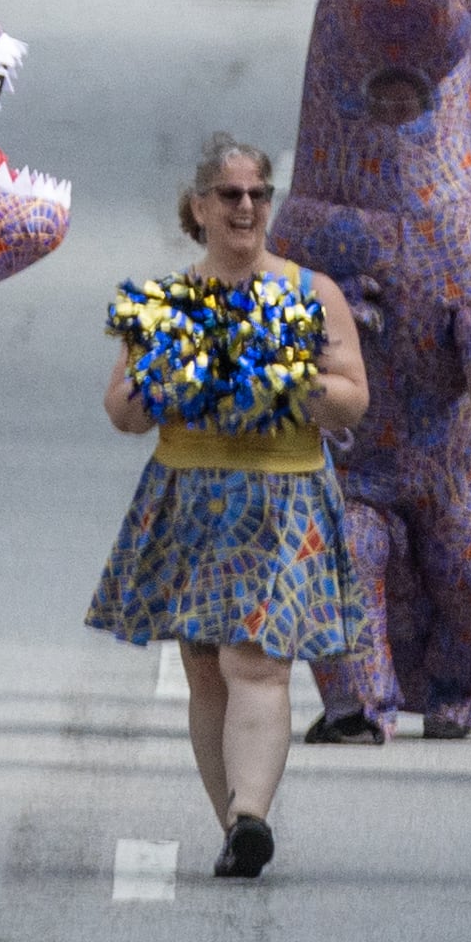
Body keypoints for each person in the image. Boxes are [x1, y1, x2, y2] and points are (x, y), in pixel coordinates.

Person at [88, 137, 369, 883]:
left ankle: (252, 813)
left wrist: (287, 378)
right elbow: (121, 410)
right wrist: (166, 379)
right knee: (207, 669)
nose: (247, 207)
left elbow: (353, 397)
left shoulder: (313, 293)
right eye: (230, 194)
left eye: (259, 194)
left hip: (282, 496)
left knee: (259, 660)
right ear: (199, 207)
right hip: (191, 493)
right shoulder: (165, 300)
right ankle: (236, 825)